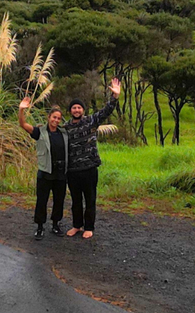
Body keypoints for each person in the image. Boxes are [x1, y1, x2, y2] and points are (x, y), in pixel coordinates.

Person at [61, 77, 123, 239]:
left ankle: (89, 227)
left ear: (83, 110)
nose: (76, 110)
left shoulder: (91, 122)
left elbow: (106, 111)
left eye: (79, 107)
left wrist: (115, 97)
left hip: (89, 169)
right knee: (75, 201)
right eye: (74, 108)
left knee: (90, 199)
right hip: (73, 171)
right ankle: (77, 226)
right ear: (70, 111)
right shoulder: (66, 128)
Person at [17, 97, 67, 239]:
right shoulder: (40, 132)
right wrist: (21, 110)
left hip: (60, 173)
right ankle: (40, 227)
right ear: (49, 117)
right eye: (54, 117)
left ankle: (56, 225)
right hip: (45, 172)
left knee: (59, 200)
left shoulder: (64, 133)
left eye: (58, 118)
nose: (56, 120)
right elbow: (23, 124)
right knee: (42, 200)